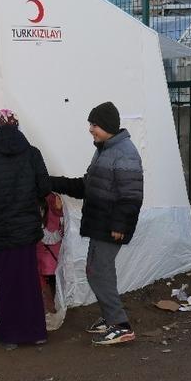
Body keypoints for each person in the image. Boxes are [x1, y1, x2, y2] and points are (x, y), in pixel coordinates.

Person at [49, 101, 144, 345]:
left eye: (95, 125)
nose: (91, 129)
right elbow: (88, 186)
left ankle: (121, 325)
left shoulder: (125, 152)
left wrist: (120, 226)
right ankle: (110, 317)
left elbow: (131, 195)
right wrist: (53, 182)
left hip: (112, 226)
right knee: (96, 271)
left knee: (98, 272)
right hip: (100, 223)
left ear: (109, 126)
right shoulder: (104, 149)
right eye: (91, 124)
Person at [0, 109, 51, 349]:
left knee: (7, 282)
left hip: (3, 232)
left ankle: (10, 336)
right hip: (28, 230)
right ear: (17, 126)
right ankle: (37, 332)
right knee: (30, 281)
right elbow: (44, 186)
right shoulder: (32, 153)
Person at [36, 193, 64, 314]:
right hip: (44, 255)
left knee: (47, 279)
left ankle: (48, 306)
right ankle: (48, 307)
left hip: (46, 255)